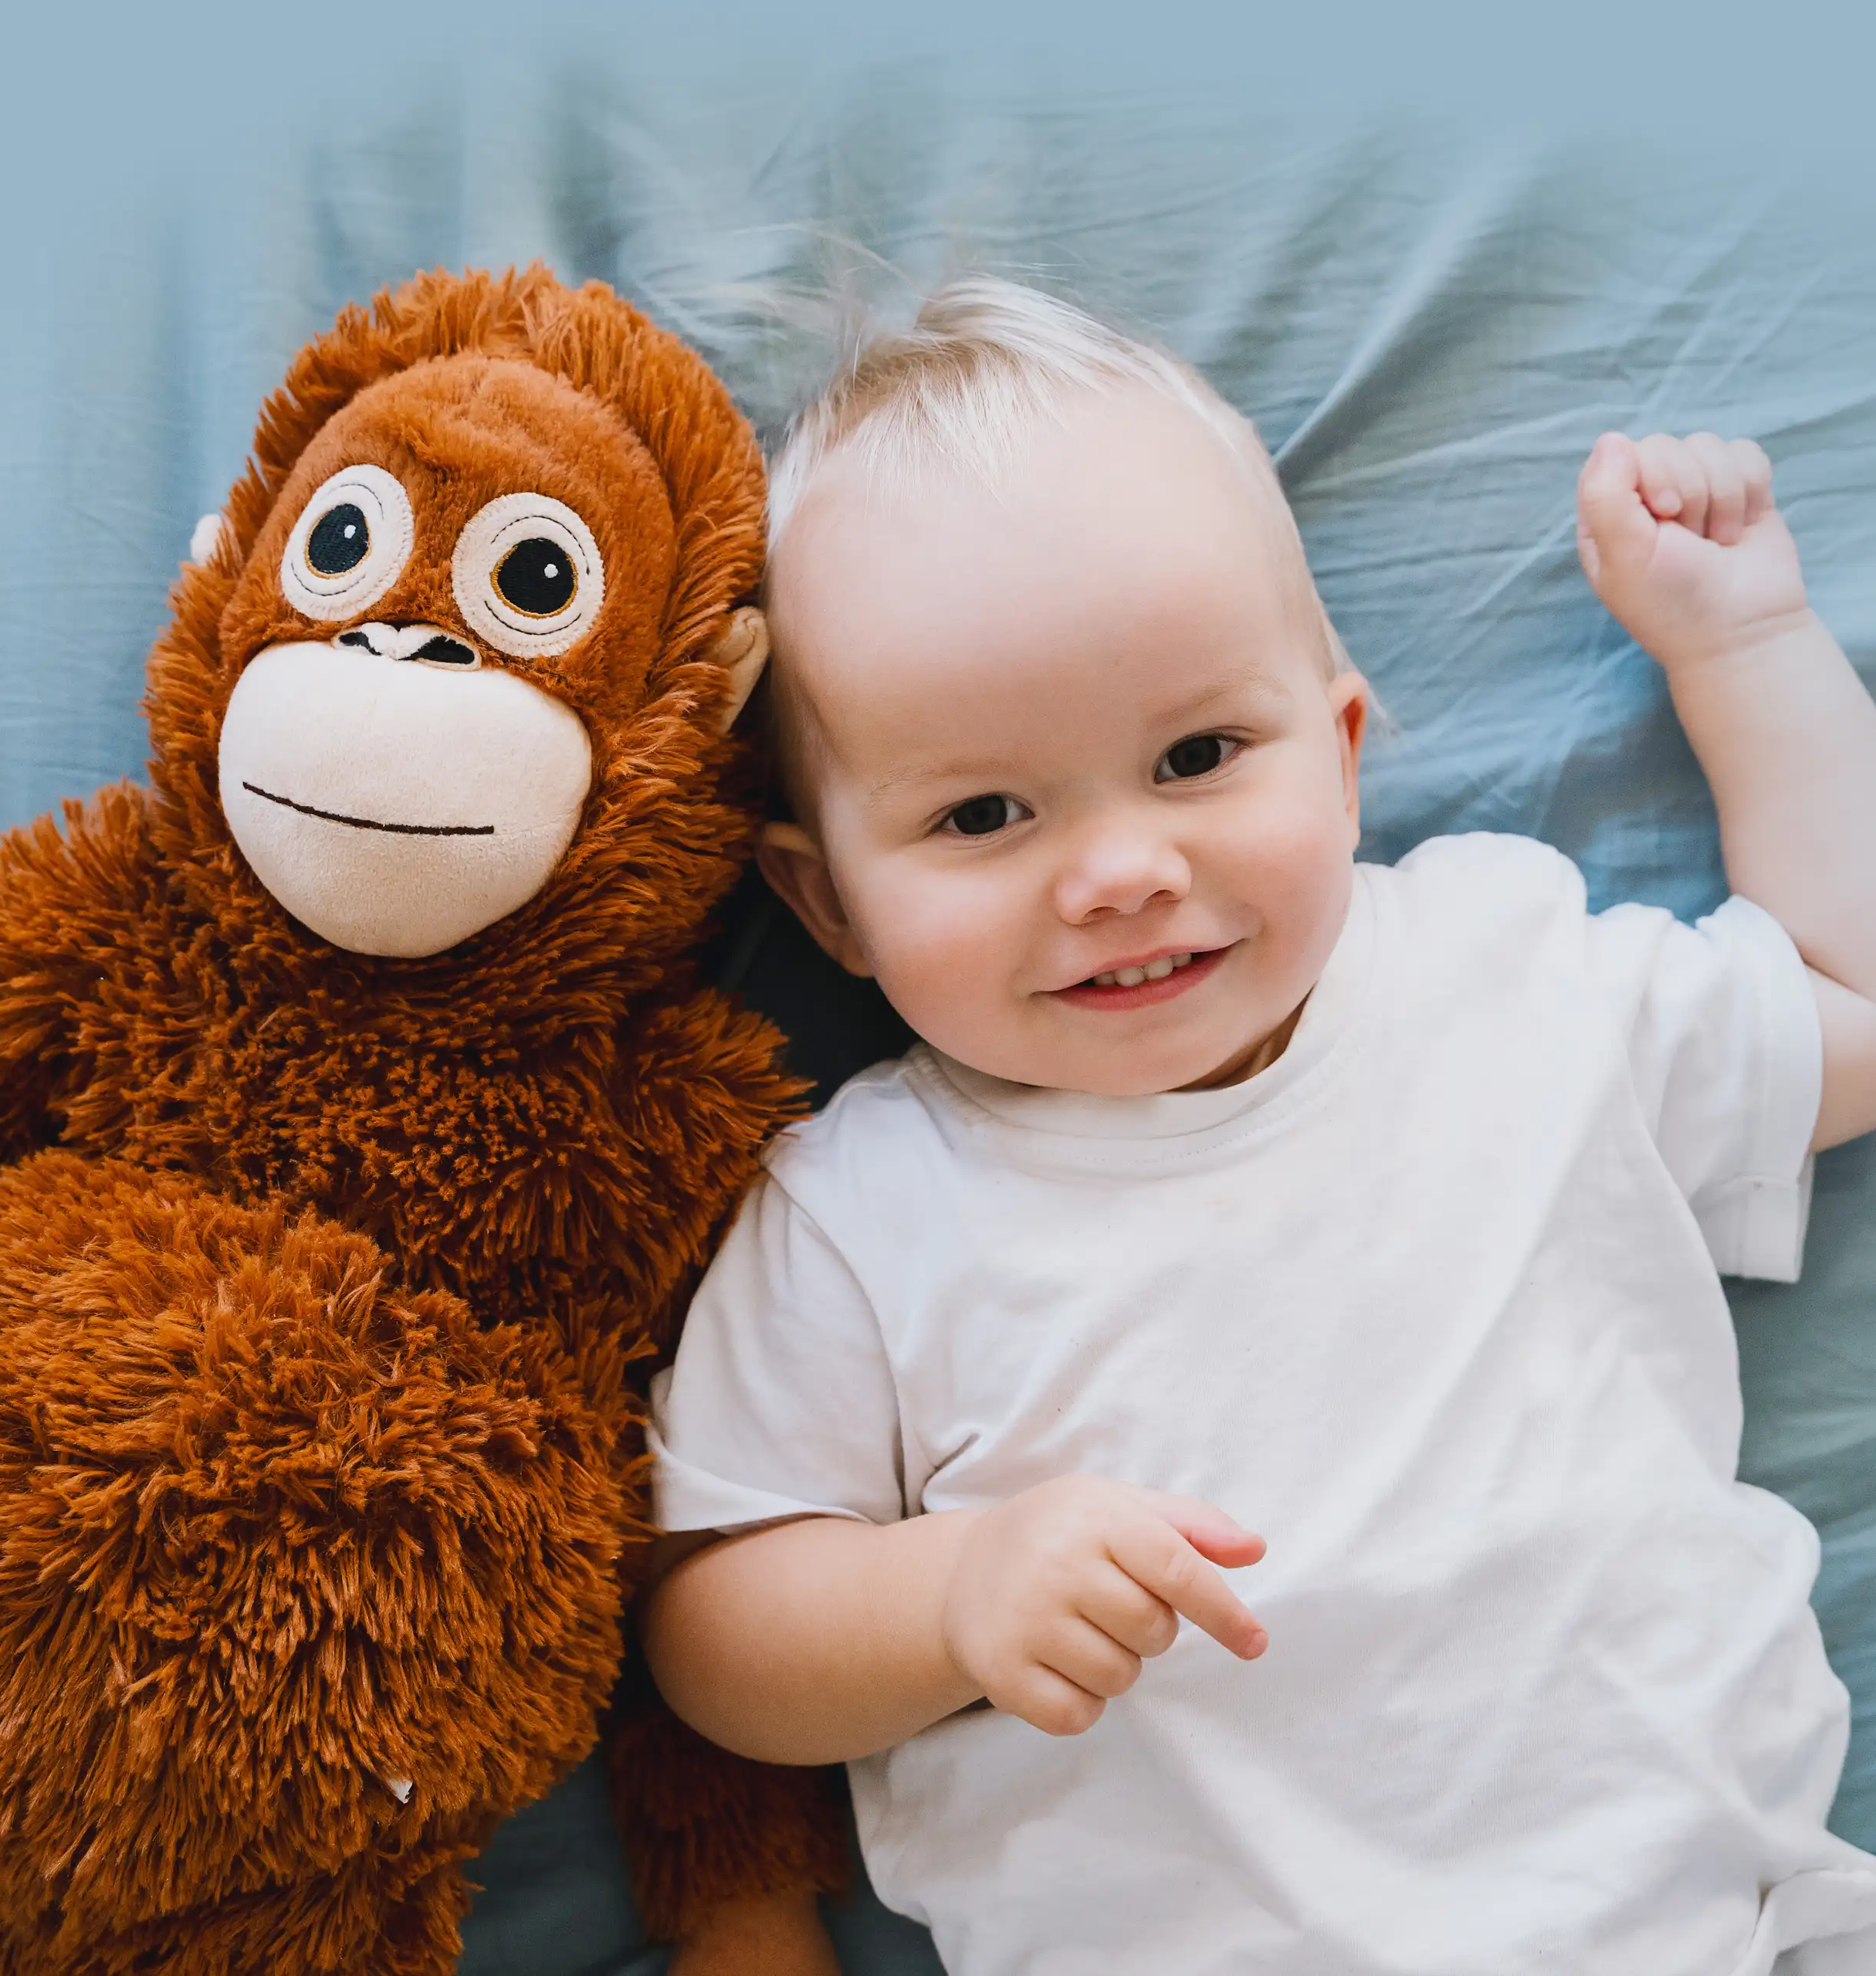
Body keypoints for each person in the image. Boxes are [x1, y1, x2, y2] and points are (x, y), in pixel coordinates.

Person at [642, 278, 1876, 1975]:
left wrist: (1741, 646)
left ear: (1344, 750)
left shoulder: (1504, 974)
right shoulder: (867, 1204)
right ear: (823, 901)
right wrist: (950, 1593)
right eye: (981, 812)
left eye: (1198, 753)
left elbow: (1850, 1004)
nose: (1119, 871)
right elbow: (708, 1626)